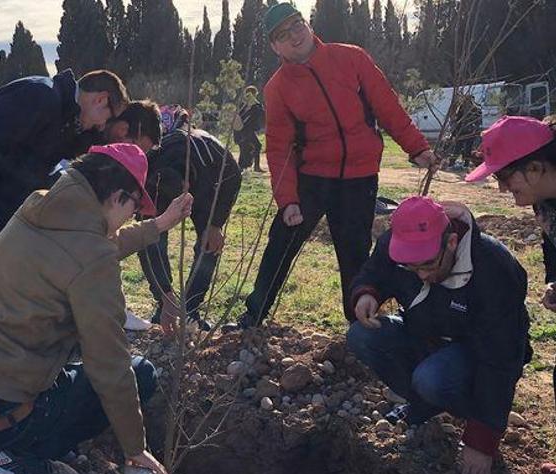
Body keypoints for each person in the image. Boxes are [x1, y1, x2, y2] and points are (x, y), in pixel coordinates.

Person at [0, 143, 188, 474]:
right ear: (118, 196)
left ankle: (14, 440)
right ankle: (21, 458)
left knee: (74, 369)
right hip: (4, 416)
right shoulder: (91, 256)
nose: (134, 217)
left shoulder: (38, 207)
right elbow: (109, 364)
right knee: (140, 373)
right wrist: (136, 449)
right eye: (135, 207)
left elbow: (95, 245)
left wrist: (159, 225)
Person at [236, 2, 439, 329]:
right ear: (275, 46)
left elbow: (387, 106)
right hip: (312, 179)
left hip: (359, 178)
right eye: (283, 35)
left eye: (296, 25)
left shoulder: (351, 57)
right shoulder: (277, 88)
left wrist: (416, 147)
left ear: (307, 24)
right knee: (281, 242)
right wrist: (288, 199)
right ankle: (254, 315)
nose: (294, 36)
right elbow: (278, 147)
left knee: (354, 252)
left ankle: (358, 325)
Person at [346, 196, 531, 474]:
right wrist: (367, 293)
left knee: (432, 379)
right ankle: (424, 406)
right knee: (363, 337)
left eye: (429, 264)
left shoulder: (493, 266)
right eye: (411, 267)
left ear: (452, 242)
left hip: (477, 353)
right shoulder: (395, 244)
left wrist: (481, 440)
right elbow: (374, 271)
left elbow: (501, 358)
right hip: (425, 336)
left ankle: (467, 411)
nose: (422, 275)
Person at [0, 69, 129, 328]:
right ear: (100, 99)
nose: (103, 125)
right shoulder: (38, 96)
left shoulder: (64, 114)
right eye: (107, 116)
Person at [460, 115, 556, 474]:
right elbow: (552, 245)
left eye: (504, 177)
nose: (501, 189)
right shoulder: (544, 199)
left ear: (536, 166)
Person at [134, 105, 242, 332]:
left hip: (207, 192)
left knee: (209, 244)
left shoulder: (215, 157)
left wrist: (216, 224)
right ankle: (165, 304)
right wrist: (164, 294)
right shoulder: (152, 163)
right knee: (152, 239)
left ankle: (191, 309)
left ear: (186, 187)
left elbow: (234, 179)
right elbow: (144, 241)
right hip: (162, 192)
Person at [234, 86, 264, 172]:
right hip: (246, 131)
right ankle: (256, 167)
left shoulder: (244, 105)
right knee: (256, 146)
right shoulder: (251, 106)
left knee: (245, 148)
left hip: (242, 131)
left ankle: (241, 167)